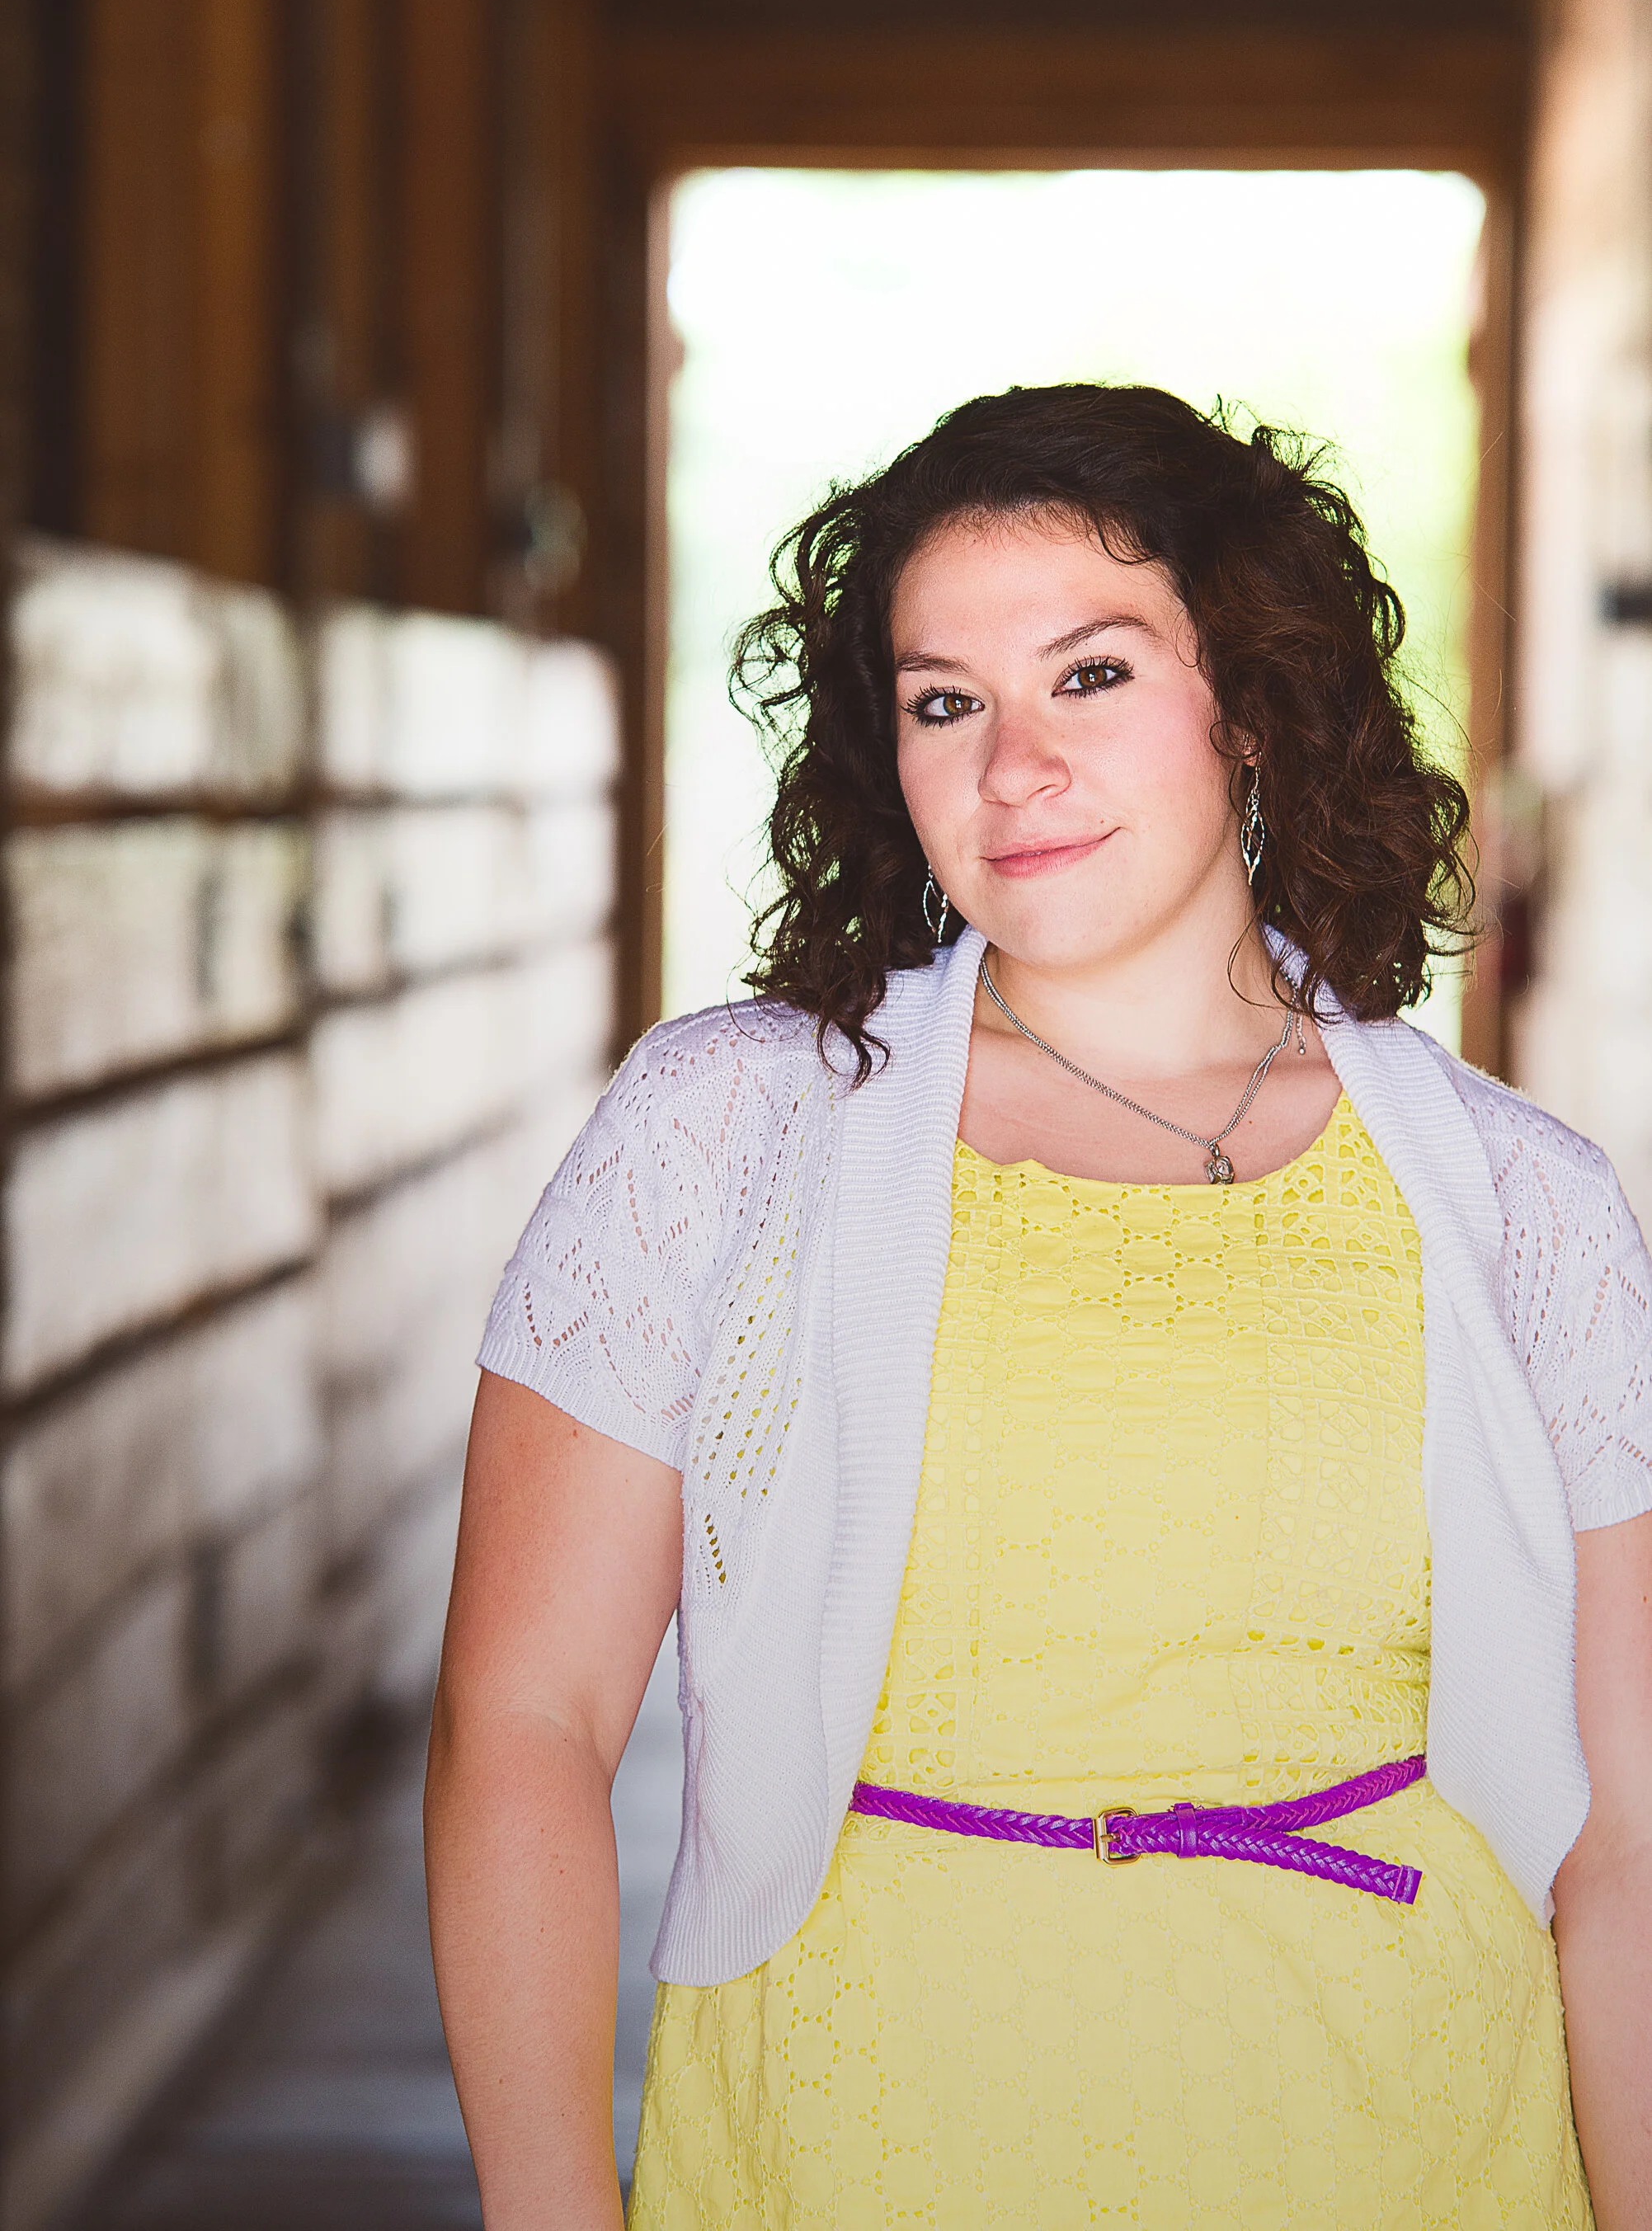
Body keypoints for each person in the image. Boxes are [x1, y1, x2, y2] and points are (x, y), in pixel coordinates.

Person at [424, 384, 1652, 2230]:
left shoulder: (1516, 1206)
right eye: (944, 703)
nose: (1012, 766)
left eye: (1089, 675)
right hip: (851, 2145)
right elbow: (521, 1724)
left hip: (1411, 2141)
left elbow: (1626, 1849)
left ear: (1246, 700)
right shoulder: (729, 1132)